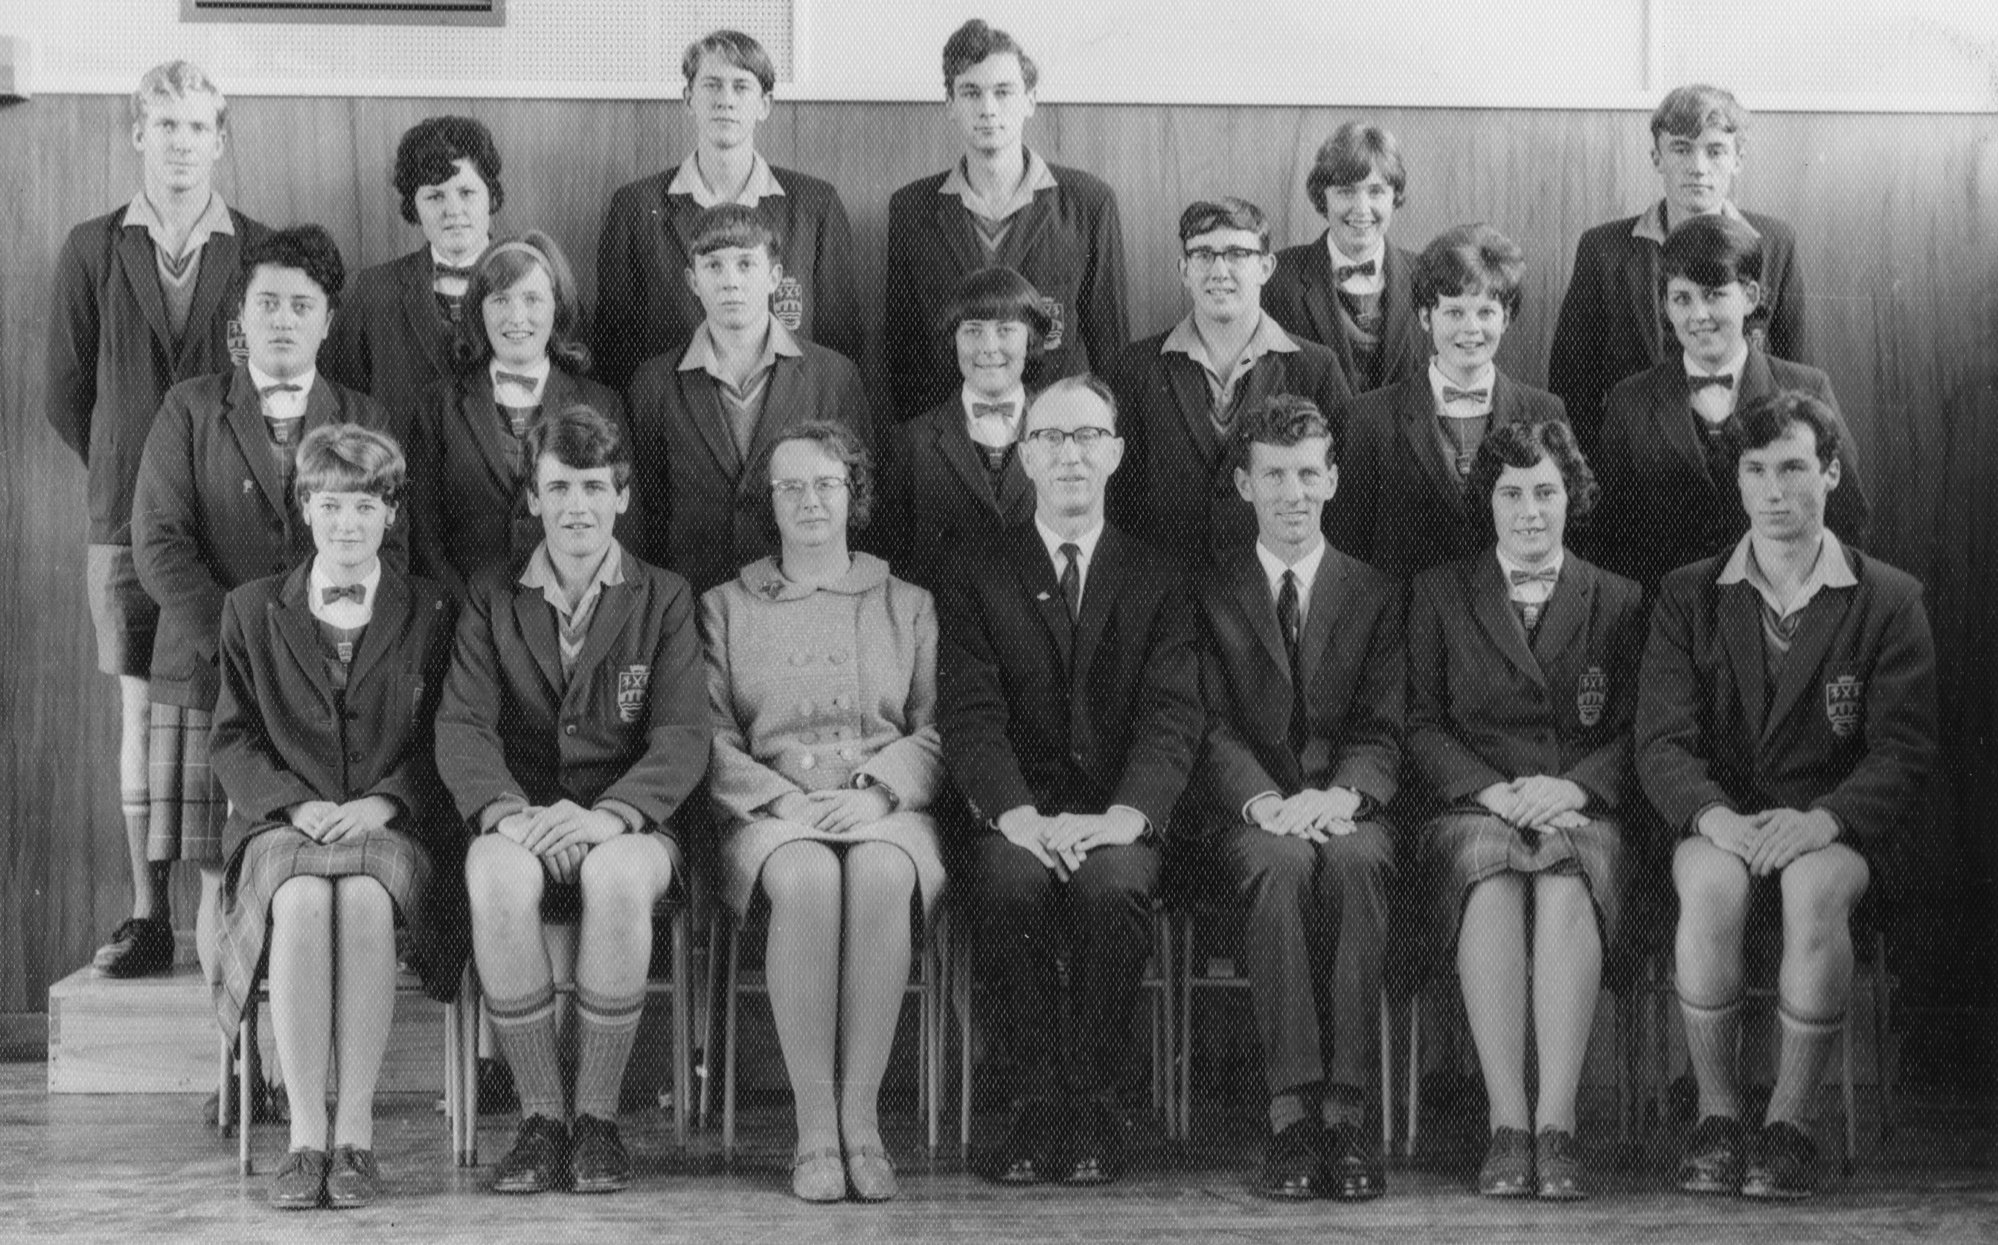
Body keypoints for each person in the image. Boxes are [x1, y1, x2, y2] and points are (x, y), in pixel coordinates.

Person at [1639, 391, 1936, 1200]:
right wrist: (1717, 818)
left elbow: (1904, 749)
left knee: (1812, 887)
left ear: (1831, 473)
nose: (1775, 491)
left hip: (1837, 828)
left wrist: (1824, 820)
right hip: (1722, 822)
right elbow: (1662, 742)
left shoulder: (1888, 598)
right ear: (1737, 480)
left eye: (1795, 468)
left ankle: (1789, 1125)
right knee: (1709, 883)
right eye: (1756, 470)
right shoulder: (1689, 593)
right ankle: (1718, 1115)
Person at [436, 405, 709, 1196]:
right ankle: (541, 1118)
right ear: (533, 497)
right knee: (494, 873)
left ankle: (597, 1120)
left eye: (594, 487)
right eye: (558, 488)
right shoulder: (492, 596)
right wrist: (511, 816)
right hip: (522, 815)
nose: (577, 506)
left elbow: (682, 734)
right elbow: (463, 725)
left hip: (627, 822)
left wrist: (607, 816)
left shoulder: (664, 597)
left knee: (615, 876)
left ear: (622, 495)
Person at [937, 375, 1202, 1186]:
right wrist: (1015, 815)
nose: (1070, 455)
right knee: (1009, 883)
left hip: (1117, 818)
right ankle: (1031, 1104)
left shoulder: (1159, 573)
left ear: (1115, 453)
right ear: (1025, 455)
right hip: (1017, 816)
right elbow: (971, 714)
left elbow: (1172, 714)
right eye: (1051, 438)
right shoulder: (978, 570)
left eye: (1087, 437)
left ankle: (1095, 1104)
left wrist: (1126, 815)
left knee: (1111, 886)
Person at [132, 224, 401, 1021]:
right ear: (240, 318)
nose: (283, 319)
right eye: (267, 303)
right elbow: (160, 544)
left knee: (317, 867)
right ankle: (240, 1060)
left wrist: (306, 660)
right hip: (207, 671)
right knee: (225, 874)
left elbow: (390, 550)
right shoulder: (189, 410)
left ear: (328, 319)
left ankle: (305, 1054)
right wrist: (244, 645)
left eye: (302, 305)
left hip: (330, 686)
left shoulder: (362, 413)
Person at [47, 60, 269, 980]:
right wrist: (135, 477)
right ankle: (149, 913)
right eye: (165, 125)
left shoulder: (255, 248)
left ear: (221, 139)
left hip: (230, 524)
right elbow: (68, 393)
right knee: (141, 711)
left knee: (234, 703)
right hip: (124, 524)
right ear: (139, 134)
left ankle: (242, 910)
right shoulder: (93, 247)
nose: (181, 143)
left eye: (197, 126)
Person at [208, 424, 459, 1209]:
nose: (347, 522)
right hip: (283, 821)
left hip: (390, 823)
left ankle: (355, 1132)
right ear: (305, 507)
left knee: (363, 896)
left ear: (392, 512)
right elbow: (232, 738)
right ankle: (305, 1135)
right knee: (303, 897)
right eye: (331, 504)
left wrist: (385, 801)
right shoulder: (252, 609)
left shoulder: (431, 610)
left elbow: (449, 736)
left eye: (365, 505)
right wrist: (294, 801)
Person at [704, 422, 945, 1202]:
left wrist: (877, 790)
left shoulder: (906, 602)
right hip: (771, 806)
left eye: (827, 484)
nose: (810, 501)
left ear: (854, 495)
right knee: (806, 877)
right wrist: (780, 798)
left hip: (884, 802)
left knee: (881, 873)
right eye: (791, 487)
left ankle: (861, 1121)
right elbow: (707, 731)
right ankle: (814, 1128)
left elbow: (940, 726)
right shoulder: (726, 606)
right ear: (768, 502)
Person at [1406, 419, 1643, 1201]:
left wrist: (1575, 788)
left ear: (1572, 495)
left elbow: (1637, 728)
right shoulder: (1440, 591)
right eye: (1511, 493)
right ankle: (1507, 1121)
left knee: (1569, 871)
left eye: (1546, 491)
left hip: (1580, 803)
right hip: (1476, 802)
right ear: (1489, 501)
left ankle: (1557, 1123)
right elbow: (1420, 724)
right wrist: (1491, 790)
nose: (1530, 510)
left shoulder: (1618, 598)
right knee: (1493, 869)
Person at [1192, 394, 1402, 1201]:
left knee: (1355, 864)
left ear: (1333, 480)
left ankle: (1346, 1115)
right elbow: (1208, 724)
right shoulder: (1209, 591)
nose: (1293, 493)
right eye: (1274, 475)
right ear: (1245, 484)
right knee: (1280, 866)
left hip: (1345, 806)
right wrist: (1263, 801)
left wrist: (1343, 795)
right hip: (1254, 813)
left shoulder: (1373, 591)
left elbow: (1384, 726)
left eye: (1308, 474)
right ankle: (1291, 1118)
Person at [1593, 214, 1867, 594]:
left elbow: (1847, 520)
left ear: (1750, 296)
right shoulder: (1630, 401)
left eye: (1714, 295)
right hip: (1666, 615)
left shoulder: (1806, 388)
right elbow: (1608, 537)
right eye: (1682, 298)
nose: (1698, 315)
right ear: (1665, 305)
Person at [883, 18, 1126, 420]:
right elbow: (904, 357)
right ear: (950, 104)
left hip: (1053, 434)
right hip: (951, 439)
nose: (988, 108)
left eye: (1003, 91)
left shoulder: (1088, 203)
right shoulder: (911, 209)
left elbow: (1111, 354)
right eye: (971, 92)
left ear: (1030, 100)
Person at [594, 29, 861, 392]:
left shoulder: (815, 205)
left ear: (764, 104)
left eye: (741, 86)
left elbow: (840, 348)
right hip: (674, 415)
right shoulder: (636, 208)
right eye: (712, 85)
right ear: (688, 99)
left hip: (790, 415)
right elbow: (614, 351)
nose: (726, 100)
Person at [1549, 84, 1808, 453]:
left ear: (1737, 158)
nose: (1698, 167)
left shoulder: (1776, 243)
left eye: (1715, 151)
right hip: (1642, 464)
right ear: (1657, 157)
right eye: (1682, 149)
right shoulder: (1602, 249)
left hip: (1748, 459)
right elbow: (1572, 385)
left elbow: (1793, 374)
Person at [628, 204, 870, 594]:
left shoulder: (833, 376)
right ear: (692, 281)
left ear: (774, 277)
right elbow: (648, 516)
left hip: (805, 601)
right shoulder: (653, 385)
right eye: (713, 266)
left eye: (745, 264)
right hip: (695, 603)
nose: (730, 282)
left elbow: (859, 507)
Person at [1105, 198, 1348, 564]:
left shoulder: (1315, 368)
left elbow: (1341, 500)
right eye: (1203, 255)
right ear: (1184, 270)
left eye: (1237, 254)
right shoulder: (1136, 368)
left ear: (1265, 267)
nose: (1219, 271)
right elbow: (1120, 501)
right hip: (1168, 587)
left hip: (1272, 587)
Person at [407, 231, 629, 601]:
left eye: (532, 299)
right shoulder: (437, 406)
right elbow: (424, 536)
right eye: (500, 300)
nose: (516, 317)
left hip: (572, 615)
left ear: (557, 307)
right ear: (479, 310)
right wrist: (472, 614)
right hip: (464, 616)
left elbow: (623, 529)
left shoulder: (601, 404)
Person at [1337, 223, 1566, 581]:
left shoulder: (1545, 413)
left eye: (1486, 312)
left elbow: (1561, 539)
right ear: (1425, 316)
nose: (1471, 328)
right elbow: (1350, 552)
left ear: (1506, 318)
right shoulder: (1368, 418)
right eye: (1455, 312)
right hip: (1406, 613)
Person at [324, 115, 502, 422]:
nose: (452, 210)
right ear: (414, 208)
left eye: (466, 192)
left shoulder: (536, 282)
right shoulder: (369, 292)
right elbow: (343, 406)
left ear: (491, 196)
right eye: (434, 196)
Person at [880, 266, 1048, 584]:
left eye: (1005, 330)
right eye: (973, 330)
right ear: (953, 340)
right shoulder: (909, 443)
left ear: (1031, 338)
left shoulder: (1065, 433)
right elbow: (893, 566)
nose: (988, 346)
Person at [1264, 122, 1427, 396]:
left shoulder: (1427, 277)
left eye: (1376, 191)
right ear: (1323, 196)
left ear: (1394, 196)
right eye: (1346, 191)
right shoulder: (1276, 278)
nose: (1361, 209)